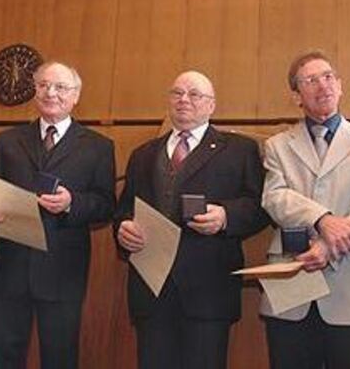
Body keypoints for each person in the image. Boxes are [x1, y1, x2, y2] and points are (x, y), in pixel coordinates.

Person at [115, 70, 268, 369]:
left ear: (212, 105)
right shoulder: (142, 155)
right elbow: (123, 210)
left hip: (208, 291)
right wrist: (123, 229)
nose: (184, 99)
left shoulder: (239, 150)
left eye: (194, 94)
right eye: (177, 93)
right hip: (151, 290)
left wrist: (226, 216)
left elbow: (260, 207)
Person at [0, 61, 115, 369]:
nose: (50, 93)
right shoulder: (9, 140)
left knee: (60, 356)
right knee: (0, 355)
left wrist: (71, 203)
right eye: (43, 86)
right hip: (10, 267)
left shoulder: (98, 146)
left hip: (62, 270)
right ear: (35, 91)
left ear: (76, 95)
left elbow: (106, 204)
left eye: (61, 87)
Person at [261, 51, 350, 369]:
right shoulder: (277, 145)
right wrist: (321, 219)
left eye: (329, 76)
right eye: (311, 80)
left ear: (341, 85)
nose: (323, 85)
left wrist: (328, 245)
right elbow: (275, 198)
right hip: (291, 286)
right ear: (296, 96)